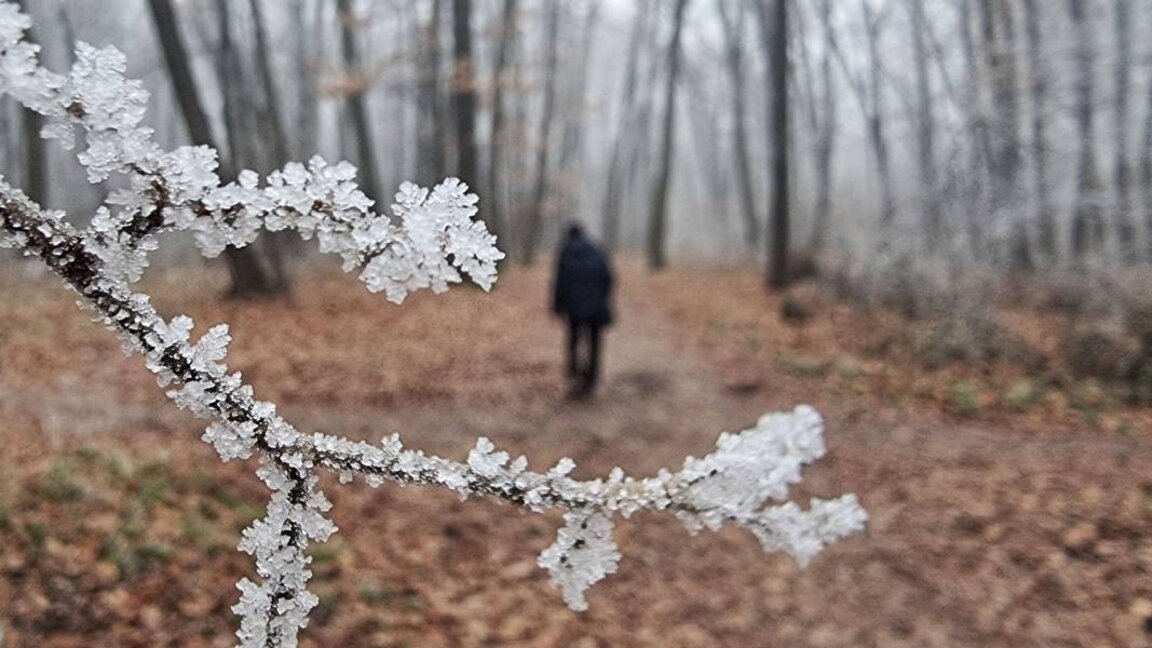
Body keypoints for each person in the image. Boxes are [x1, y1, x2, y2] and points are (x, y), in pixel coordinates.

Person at [551, 224, 614, 398]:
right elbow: (608, 277)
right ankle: (592, 378)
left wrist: (557, 305)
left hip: (574, 306)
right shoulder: (596, 249)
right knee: (594, 342)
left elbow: (559, 281)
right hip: (596, 306)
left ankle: (573, 373)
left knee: (573, 338)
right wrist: (604, 300)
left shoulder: (565, 251)